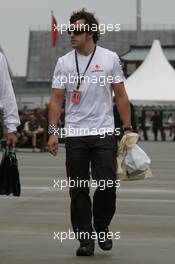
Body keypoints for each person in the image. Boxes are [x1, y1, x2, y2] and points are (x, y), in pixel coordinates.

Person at [48, 9, 132, 256]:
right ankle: (85, 239)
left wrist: (127, 129)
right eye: (70, 30)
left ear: (91, 33)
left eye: (77, 30)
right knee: (78, 188)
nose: (71, 34)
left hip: (105, 132)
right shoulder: (63, 62)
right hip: (75, 134)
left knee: (107, 184)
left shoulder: (110, 58)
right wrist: (53, 132)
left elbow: (121, 95)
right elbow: (55, 101)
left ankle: (102, 225)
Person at [0, 52, 20, 146]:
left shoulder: (63, 62)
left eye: (72, 35)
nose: (72, 36)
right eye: (70, 35)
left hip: (70, 127)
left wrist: (11, 127)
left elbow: (6, 92)